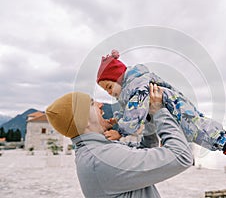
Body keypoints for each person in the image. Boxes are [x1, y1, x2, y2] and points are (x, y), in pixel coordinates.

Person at [96, 50, 226, 179]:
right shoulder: (131, 91)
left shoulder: (136, 86)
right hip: (180, 111)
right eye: (106, 91)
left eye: (109, 87)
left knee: (206, 135)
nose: (110, 93)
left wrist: (121, 131)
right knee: (208, 129)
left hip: (180, 114)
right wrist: (117, 122)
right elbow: (137, 116)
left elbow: (135, 114)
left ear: (119, 77)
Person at [45, 84, 194, 198]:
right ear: (83, 121)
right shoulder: (102, 159)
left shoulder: (98, 151)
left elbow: (144, 150)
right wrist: (159, 111)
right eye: (92, 104)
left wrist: (149, 118)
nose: (100, 104)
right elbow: (181, 156)